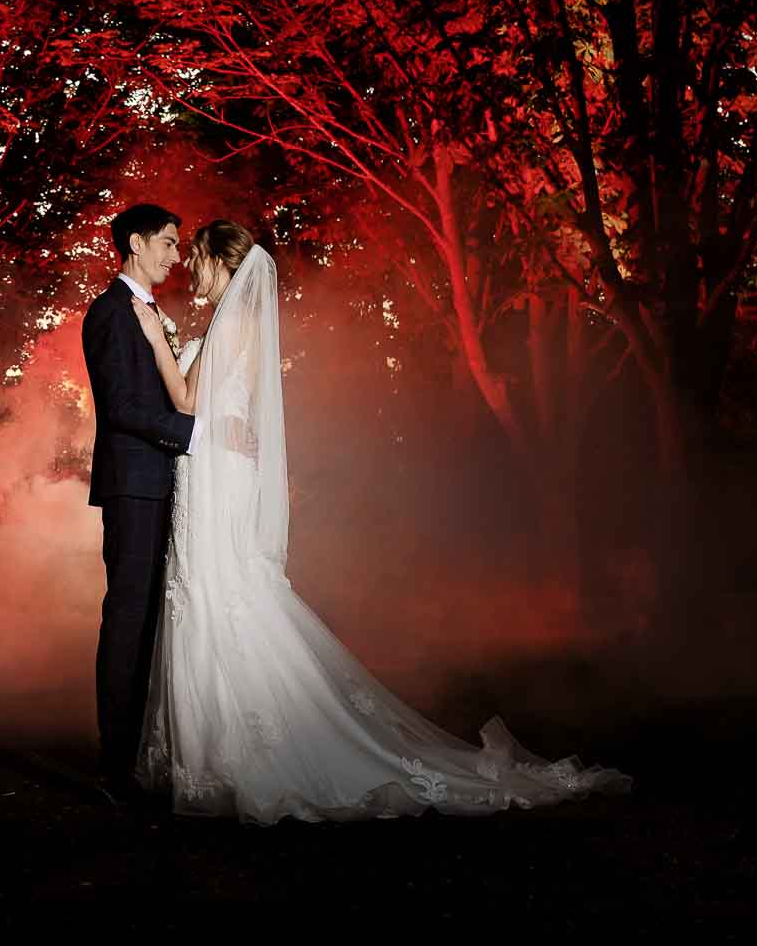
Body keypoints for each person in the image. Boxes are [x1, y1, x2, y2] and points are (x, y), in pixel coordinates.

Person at [125, 218, 631, 824]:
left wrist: (157, 340)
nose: (188, 268)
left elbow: (186, 402)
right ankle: (217, 753)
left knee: (217, 594)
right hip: (218, 469)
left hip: (215, 474)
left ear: (220, 264)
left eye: (196, 258)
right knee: (213, 595)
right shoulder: (239, 323)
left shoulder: (230, 322)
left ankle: (237, 754)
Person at [80, 203, 197, 804]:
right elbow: (121, 407)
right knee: (128, 618)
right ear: (135, 243)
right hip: (133, 485)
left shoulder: (147, 313)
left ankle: (138, 756)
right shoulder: (110, 314)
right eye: (170, 243)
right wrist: (195, 434)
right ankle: (113, 767)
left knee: (151, 620)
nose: (177, 256)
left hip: (159, 483)